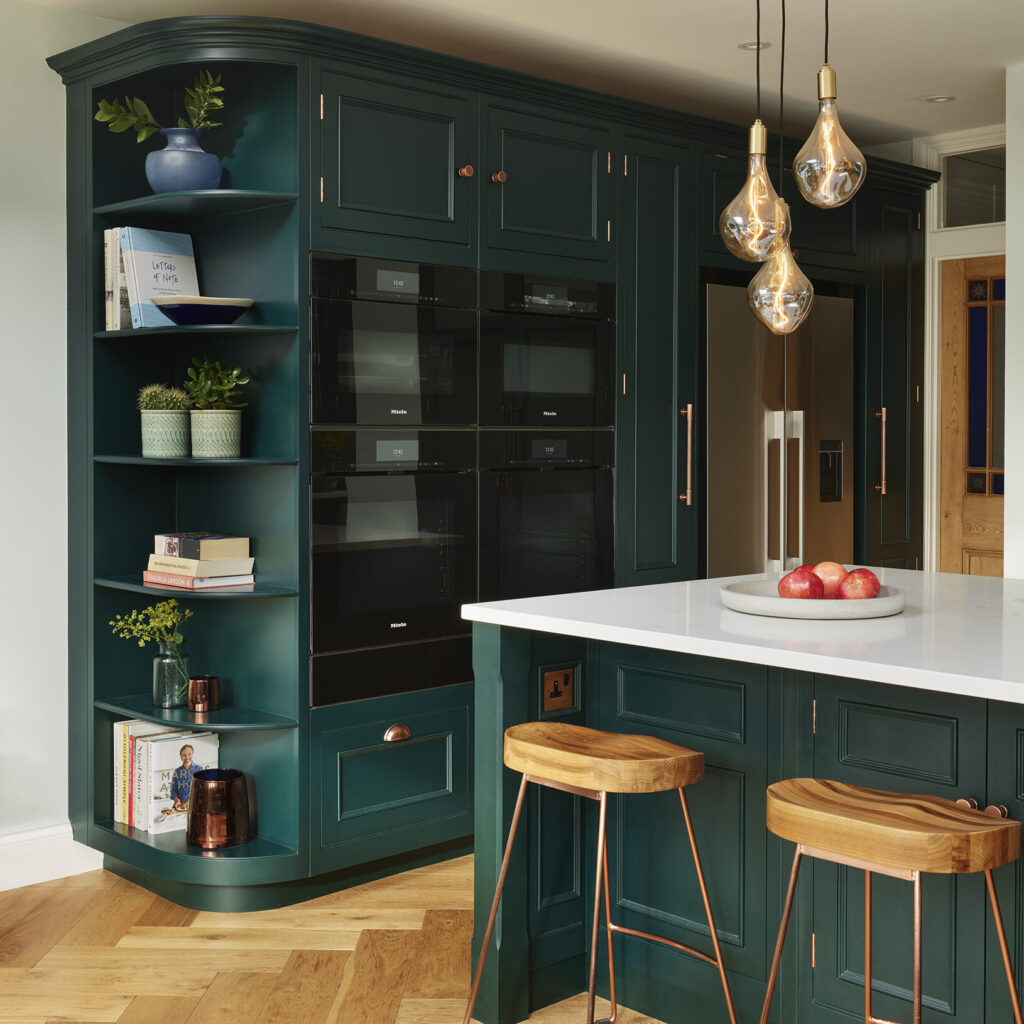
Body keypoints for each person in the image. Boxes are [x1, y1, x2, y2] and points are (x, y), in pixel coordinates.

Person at [170, 743, 204, 809]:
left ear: (192, 754)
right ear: (181, 757)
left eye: (189, 754)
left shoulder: (199, 769)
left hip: (194, 806)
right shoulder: (177, 771)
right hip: (179, 806)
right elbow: (173, 790)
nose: (187, 757)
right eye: (184, 755)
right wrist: (177, 801)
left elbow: (202, 791)